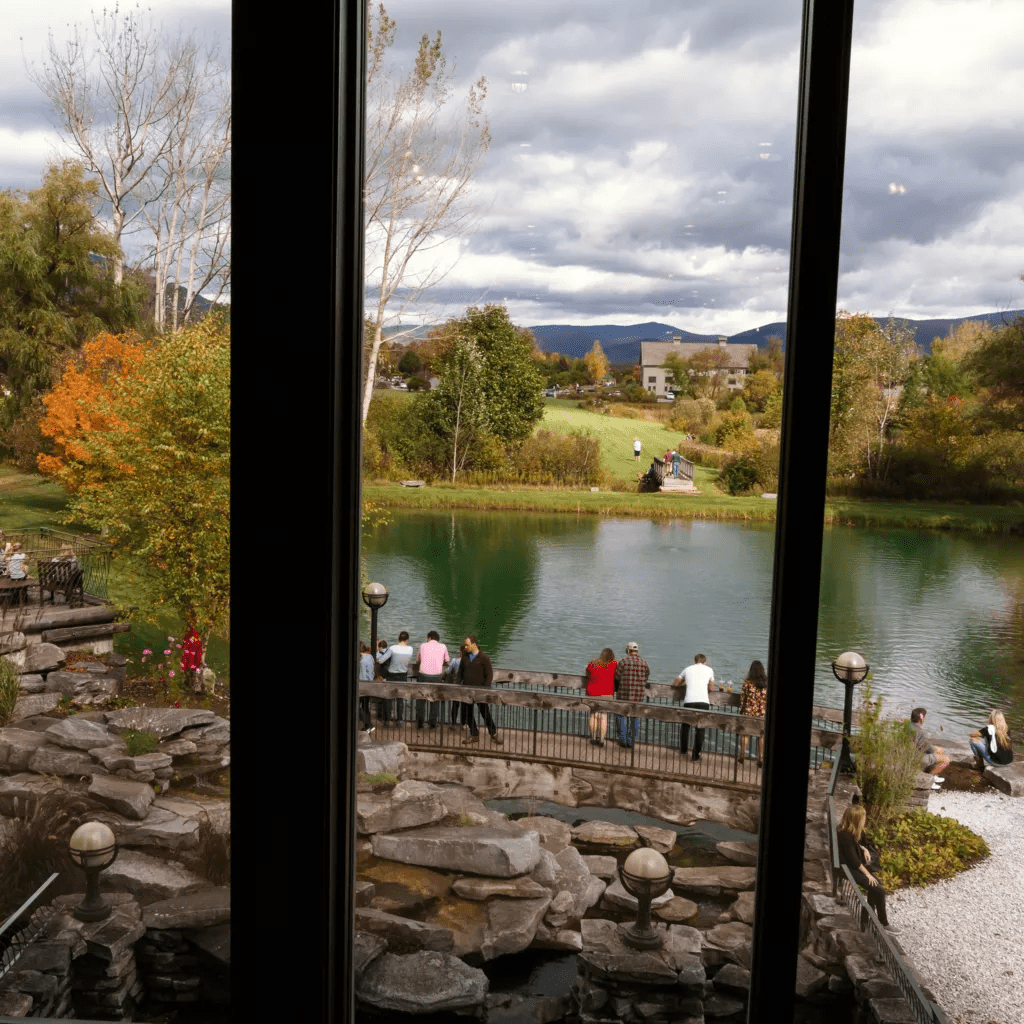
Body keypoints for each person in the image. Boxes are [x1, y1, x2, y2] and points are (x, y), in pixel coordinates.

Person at [836, 803, 899, 934]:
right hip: (846, 869)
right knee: (879, 889)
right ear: (857, 820)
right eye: (863, 818)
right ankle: (884, 924)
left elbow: (853, 846)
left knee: (877, 886)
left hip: (848, 866)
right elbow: (854, 862)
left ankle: (866, 917)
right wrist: (868, 875)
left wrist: (863, 848)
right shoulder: (846, 836)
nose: (865, 820)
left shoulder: (845, 830)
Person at [458, 635, 502, 745]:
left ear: (474, 644)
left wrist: (485, 689)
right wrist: (457, 686)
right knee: (468, 713)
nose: (466, 647)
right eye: (465, 645)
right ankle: (474, 734)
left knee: (485, 713)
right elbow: (460, 673)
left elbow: (489, 675)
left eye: (467, 645)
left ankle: (493, 733)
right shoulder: (465, 657)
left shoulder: (484, 658)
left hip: (481, 691)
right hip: (466, 691)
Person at [673, 653, 714, 761]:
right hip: (703, 702)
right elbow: (712, 688)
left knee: (685, 727)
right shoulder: (709, 670)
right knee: (700, 729)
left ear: (695, 661)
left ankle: (683, 750)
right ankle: (696, 755)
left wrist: (684, 683)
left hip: (689, 701)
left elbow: (676, 683)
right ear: (705, 662)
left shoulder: (687, 669)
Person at [614, 641, 650, 748]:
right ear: (637, 651)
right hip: (638, 696)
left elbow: (617, 677)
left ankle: (623, 740)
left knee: (620, 716)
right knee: (635, 718)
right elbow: (646, 677)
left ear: (628, 650)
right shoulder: (644, 663)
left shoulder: (623, 661)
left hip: (623, 694)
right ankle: (630, 741)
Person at [377, 631, 414, 725]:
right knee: (400, 699)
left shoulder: (392, 648)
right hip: (403, 675)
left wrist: (376, 659)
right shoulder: (410, 649)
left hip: (392, 675)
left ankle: (386, 721)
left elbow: (381, 660)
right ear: (407, 640)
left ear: (399, 639)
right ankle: (399, 720)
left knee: (388, 698)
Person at [415, 630, 449, 729]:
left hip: (423, 675)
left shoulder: (422, 646)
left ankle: (420, 722)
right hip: (436, 676)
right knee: (434, 700)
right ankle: (433, 723)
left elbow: (417, 660)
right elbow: (447, 660)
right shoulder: (443, 646)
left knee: (421, 699)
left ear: (429, 638)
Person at [909, 708, 949, 789]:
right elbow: (928, 749)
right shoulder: (918, 731)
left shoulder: (908, 725)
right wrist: (935, 749)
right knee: (946, 760)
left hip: (909, 753)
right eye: (924, 717)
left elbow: (922, 744)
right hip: (916, 757)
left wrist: (935, 748)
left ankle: (934, 776)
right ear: (921, 719)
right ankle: (929, 780)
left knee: (940, 751)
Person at [737, 660, 768, 766]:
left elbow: (742, 699)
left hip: (749, 712)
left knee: (745, 734)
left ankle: (742, 755)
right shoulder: (767, 683)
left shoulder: (747, 683)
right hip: (762, 714)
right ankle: (761, 758)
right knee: (761, 736)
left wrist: (742, 710)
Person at [584, 647, 617, 747]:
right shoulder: (614, 664)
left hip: (592, 692)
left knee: (593, 715)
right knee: (603, 717)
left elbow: (587, 673)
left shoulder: (593, 663)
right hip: (606, 693)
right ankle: (602, 740)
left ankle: (593, 738)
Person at [358, 641, 375, 733]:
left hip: (362, 686)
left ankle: (368, 725)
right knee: (365, 707)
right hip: (369, 685)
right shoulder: (370, 657)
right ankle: (368, 727)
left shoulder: (361, 661)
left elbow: (362, 675)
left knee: (356, 706)